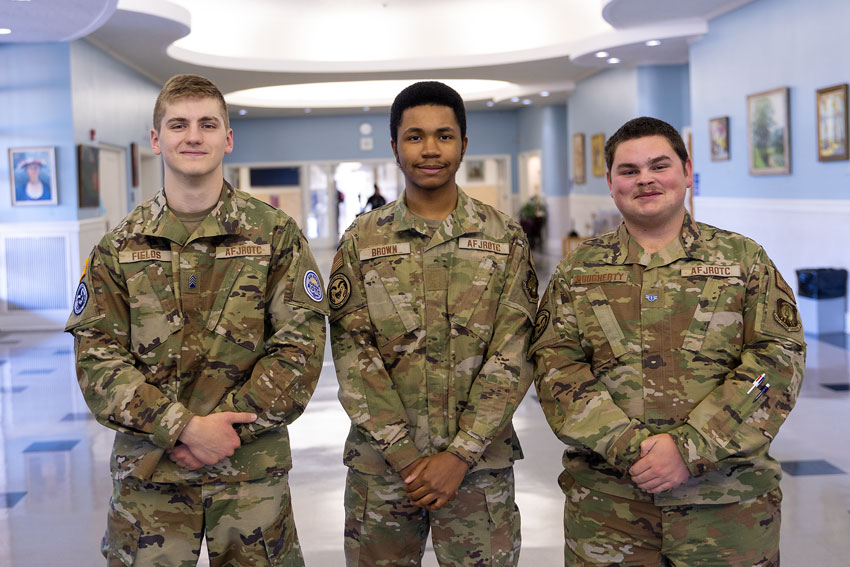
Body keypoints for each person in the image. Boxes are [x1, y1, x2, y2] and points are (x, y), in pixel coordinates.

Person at [65, 74, 328, 566]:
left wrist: (224, 434)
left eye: (208, 124)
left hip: (250, 478)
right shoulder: (118, 247)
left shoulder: (275, 235)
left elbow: (301, 347)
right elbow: (98, 360)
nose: (193, 136)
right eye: (178, 124)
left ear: (227, 138)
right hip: (150, 482)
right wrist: (183, 427)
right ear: (156, 138)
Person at [530, 116, 805, 566]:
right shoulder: (578, 271)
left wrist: (691, 446)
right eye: (629, 170)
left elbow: (775, 365)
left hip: (728, 510)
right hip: (609, 511)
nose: (645, 180)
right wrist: (627, 445)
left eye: (659, 166)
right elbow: (554, 366)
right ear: (611, 181)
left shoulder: (742, 260)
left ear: (687, 171)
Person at [328, 81, 538, 567]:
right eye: (415, 136)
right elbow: (352, 354)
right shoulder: (361, 239)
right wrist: (404, 455)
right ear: (395, 146)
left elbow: (515, 351)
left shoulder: (504, 237)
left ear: (464, 144)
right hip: (382, 470)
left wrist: (459, 454)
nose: (429, 150)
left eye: (444, 136)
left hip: (479, 471)